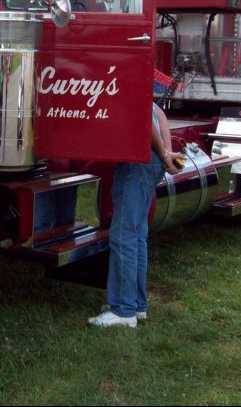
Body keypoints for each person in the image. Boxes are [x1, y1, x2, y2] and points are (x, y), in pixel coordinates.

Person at [88, 102, 180, 328]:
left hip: (138, 161)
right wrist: (166, 153)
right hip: (150, 162)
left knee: (123, 236)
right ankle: (137, 305)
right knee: (137, 236)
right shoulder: (139, 80)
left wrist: (162, 151)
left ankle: (122, 310)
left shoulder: (127, 78)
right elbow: (158, 112)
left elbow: (143, 117)